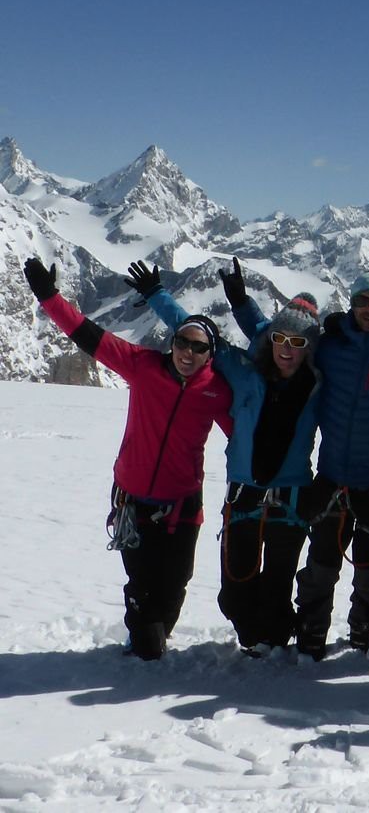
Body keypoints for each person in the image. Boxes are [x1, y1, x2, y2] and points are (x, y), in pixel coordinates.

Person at [22, 257, 233, 661]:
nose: (188, 352)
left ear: (210, 354)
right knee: (141, 584)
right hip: (132, 501)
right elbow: (89, 335)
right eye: (182, 343)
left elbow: (244, 436)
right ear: (172, 343)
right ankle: (146, 646)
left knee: (177, 582)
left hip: (182, 506)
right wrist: (49, 297)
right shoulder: (143, 367)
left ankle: (154, 637)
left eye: (198, 347)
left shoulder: (217, 392)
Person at [222, 263, 369, 659]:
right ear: (351, 306)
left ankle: (366, 634)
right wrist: (241, 303)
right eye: (362, 301)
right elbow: (276, 338)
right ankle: (311, 633)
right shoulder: (330, 347)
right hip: (332, 479)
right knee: (319, 569)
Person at [127, 261, 322, 657]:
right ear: (272, 339)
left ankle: (274, 647)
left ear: (310, 348)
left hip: (293, 496)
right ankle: (254, 638)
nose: (287, 348)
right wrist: (156, 296)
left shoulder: (320, 382)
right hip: (244, 496)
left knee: (279, 584)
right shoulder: (244, 370)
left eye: (298, 343)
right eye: (282, 338)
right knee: (235, 589)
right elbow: (197, 333)